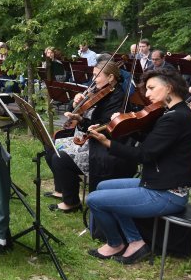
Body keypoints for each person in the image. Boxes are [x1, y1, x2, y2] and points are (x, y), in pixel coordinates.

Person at [85, 68, 191, 263]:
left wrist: (107, 143)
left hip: (166, 193)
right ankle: (136, 242)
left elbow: (144, 154)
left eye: (151, 88)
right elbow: (152, 142)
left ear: (169, 88)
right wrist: (119, 129)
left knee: (94, 199)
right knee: (104, 187)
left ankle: (115, 243)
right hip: (156, 182)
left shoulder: (176, 118)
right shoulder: (175, 113)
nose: (147, 94)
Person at [43, 60, 135, 213]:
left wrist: (81, 120)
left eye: (96, 75)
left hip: (99, 145)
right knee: (50, 146)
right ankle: (62, 190)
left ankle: (71, 202)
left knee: (60, 157)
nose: (93, 80)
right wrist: (76, 102)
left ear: (111, 77)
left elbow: (101, 127)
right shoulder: (97, 89)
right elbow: (77, 107)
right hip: (84, 136)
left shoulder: (117, 97)